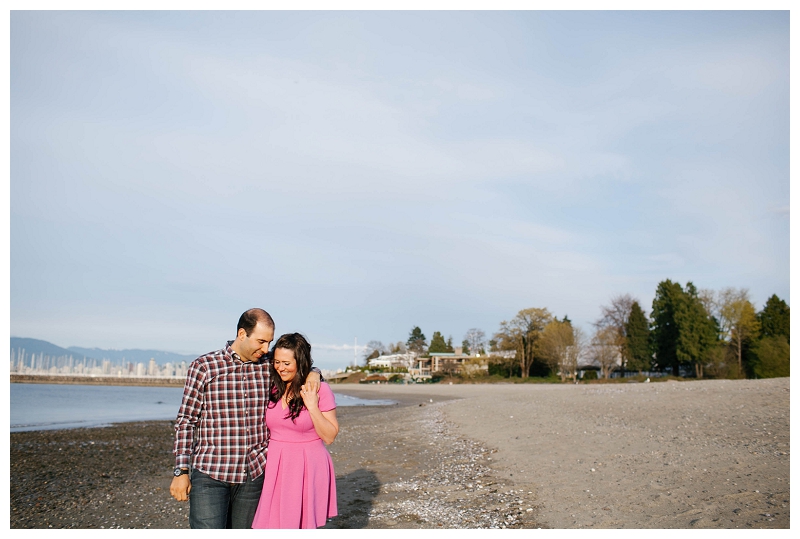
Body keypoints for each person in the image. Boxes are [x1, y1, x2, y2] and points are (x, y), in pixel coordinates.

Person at [169, 308, 321, 529]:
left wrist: (314, 372)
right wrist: (181, 471)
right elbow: (186, 420)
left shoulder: (269, 365)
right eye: (261, 341)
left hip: (254, 474)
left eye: (269, 342)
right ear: (242, 334)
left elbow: (298, 364)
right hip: (211, 474)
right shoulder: (204, 367)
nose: (266, 349)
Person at [251, 333, 338, 529]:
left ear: (300, 362)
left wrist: (313, 406)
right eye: (277, 362)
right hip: (275, 464)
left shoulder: (320, 390)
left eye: (287, 363)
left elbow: (330, 436)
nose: (280, 368)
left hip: (307, 464)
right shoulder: (273, 387)